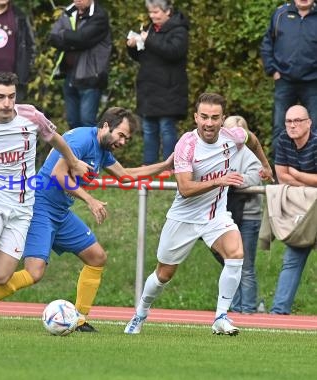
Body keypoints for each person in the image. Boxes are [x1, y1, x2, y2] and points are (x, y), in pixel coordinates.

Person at [0, 106, 174, 332]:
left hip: (60, 212)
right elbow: (57, 174)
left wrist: (165, 166)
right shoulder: (81, 139)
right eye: (121, 135)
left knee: (96, 257)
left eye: (127, 138)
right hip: (40, 206)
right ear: (106, 126)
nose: (123, 141)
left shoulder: (102, 150)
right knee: (34, 272)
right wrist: (90, 200)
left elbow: (126, 176)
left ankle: (79, 319)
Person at [124, 93, 274, 336]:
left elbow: (253, 140)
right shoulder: (186, 144)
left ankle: (221, 317)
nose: (209, 123)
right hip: (183, 218)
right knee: (164, 274)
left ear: (223, 119)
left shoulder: (233, 136)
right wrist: (220, 181)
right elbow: (185, 188)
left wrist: (265, 166)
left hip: (215, 216)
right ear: (196, 117)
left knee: (236, 253)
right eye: (204, 117)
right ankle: (140, 313)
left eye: (215, 117)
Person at [0, 71, 91, 330]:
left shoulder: (31, 116)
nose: (7, 103)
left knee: (0, 276)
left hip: (22, 206)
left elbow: (56, 139)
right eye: (1, 97)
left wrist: (72, 161)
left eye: (11, 96)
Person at [210, 116, 263, 314]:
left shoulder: (250, 154)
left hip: (248, 214)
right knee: (229, 260)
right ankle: (234, 306)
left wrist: (232, 180)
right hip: (223, 213)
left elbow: (256, 176)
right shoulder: (219, 152)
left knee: (246, 265)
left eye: (239, 133)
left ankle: (247, 310)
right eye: (231, 131)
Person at [126, 0, 189, 165]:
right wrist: (133, 46)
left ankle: (170, 166)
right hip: (148, 88)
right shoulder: (150, 29)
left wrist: (148, 41)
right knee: (148, 129)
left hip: (170, 88)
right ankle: (149, 165)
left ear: (167, 11)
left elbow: (174, 52)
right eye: (151, 12)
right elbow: (142, 56)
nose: (152, 16)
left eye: (156, 12)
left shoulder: (179, 30)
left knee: (167, 128)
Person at [270, 104, 317, 314]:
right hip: (302, 211)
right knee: (292, 260)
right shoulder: (283, 139)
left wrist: (296, 175)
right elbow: (281, 176)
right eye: (288, 121)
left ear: (309, 123)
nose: (292, 125)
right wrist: (309, 182)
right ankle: (279, 312)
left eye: (297, 120)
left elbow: (289, 176)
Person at [260, 0, 317, 154]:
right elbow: (267, 44)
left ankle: (312, 170)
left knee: (315, 127)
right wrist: (272, 70)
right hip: (284, 81)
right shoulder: (280, 14)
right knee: (280, 127)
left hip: (313, 83)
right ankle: (280, 170)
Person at [48, 0, 111, 129]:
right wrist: (73, 40)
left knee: (87, 122)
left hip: (91, 76)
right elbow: (52, 37)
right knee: (72, 122)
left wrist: (64, 34)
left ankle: (91, 149)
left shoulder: (99, 16)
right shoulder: (68, 12)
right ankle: (75, 150)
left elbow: (82, 38)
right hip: (70, 74)